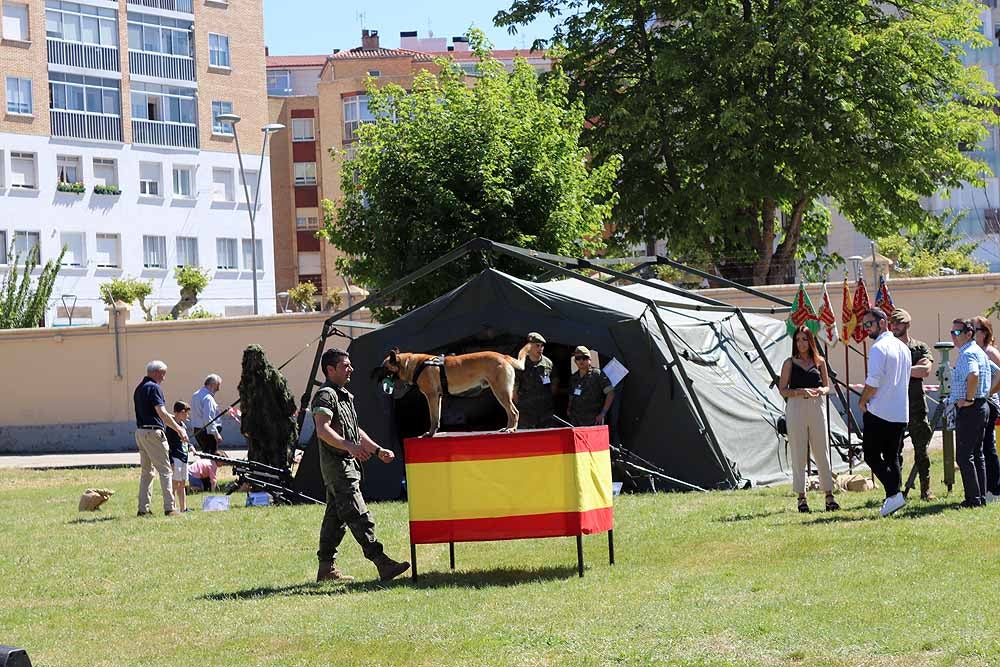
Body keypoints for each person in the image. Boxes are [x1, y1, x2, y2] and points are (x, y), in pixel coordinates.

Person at [312, 347, 410, 583]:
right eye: (346, 366)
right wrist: (349, 447)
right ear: (330, 369)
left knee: (335, 520)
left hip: (346, 466)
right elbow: (322, 429)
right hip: (338, 468)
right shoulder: (326, 395)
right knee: (358, 514)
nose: (351, 369)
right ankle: (382, 562)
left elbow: (355, 431)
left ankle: (326, 568)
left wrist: (376, 450)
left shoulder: (343, 395)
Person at [858, 308, 912, 517]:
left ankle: (894, 494)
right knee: (892, 458)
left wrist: (862, 401)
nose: (866, 328)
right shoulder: (903, 347)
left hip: (880, 411)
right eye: (864, 325)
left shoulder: (879, 348)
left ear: (882, 323)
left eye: (869, 324)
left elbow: (873, 381)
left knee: (871, 455)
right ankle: (893, 499)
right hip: (900, 412)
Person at [778, 325, 838, 513]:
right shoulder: (789, 363)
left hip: (816, 406)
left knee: (822, 449)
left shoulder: (819, 362)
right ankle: (801, 497)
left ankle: (829, 495)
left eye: (804, 339)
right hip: (796, 406)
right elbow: (783, 389)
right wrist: (798, 392)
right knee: (798, 450)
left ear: (810, 341)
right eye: (798, 340)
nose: (801, 343)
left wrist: (821, 390)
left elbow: (828, 387)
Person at [889, 309, 936, 500]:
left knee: (921, 450)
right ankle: (896, 491)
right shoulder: (887, 347)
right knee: (894, 452)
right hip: (893, 406)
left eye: (899, 323)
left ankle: (926, 490)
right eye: (893, 323)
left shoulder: (919, 347)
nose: (895, 326)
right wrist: (911, 370)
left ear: (907, 325)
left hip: (916, 405)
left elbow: (925, 370)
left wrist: (899, 369)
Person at [949, 318, 995, 508]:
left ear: (969, 334)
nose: (953, 336)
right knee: (977, 454)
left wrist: (968, 399)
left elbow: (974, 375)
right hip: (981, 405)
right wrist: (985, 393)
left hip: (971, 408)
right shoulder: (979, 351)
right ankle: (980, 498)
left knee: (964, 456)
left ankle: (973, 500)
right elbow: (997, 372)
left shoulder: (968, 353)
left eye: (957, 332)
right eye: (952, 332)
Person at [133, 360, 188, 517]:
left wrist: (174, 419)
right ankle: (170, 508)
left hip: (141, 432)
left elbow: (155, 413)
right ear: (156, 373)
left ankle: (143, 509)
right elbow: (161, 413)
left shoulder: (139, 388)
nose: (164, 378)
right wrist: (179, 429)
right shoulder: (155, 388)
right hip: (153, 434)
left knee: (147, 472)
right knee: (165, 471)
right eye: (163, 374)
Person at [972, 316, 1000, 501]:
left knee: (987, 446)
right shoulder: (977, 351)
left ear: (984, 333)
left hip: (990, 403)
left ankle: (995, 489)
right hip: (980, 402)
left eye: (975, 330)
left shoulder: (990, 352)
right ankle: (987, 487)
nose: (971, 333)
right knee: (981, 446)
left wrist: (987, 393)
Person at [513, 332, 557, 429]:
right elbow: (514, 390)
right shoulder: (521, 364)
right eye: (537, 346)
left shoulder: (548, 363)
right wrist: (522, 403)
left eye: (542, 346)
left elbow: (554, 382)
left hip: (545, 410)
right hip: (526, 411)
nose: (540, 349)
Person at [567, 346, 615, 427]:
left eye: (584, 358)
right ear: (575, 361)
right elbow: (571, 396)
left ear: (590, 360)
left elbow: (610, 393)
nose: (581, 361)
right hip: (576, 420)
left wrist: (602, 414)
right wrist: (568, 409)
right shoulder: (574, 377)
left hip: (593, 420)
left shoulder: (597, 374)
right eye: (578, 358)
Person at [165, 401, 194, 512]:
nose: (188, 416)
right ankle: (172, 507)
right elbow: (168, 445)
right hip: (176, 458)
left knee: (182, 483)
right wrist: (171, 460)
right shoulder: (171, 427)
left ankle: (183, 508)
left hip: (184, 457)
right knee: (174, 484)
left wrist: (191, 446)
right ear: (181, 412)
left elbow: (185, 440)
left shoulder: (183, 426)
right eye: (186, 413)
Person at [191, 374, 223, 454]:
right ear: (213, 385)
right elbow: (208, 419)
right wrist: (216, 434)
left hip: (197, 430)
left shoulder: (195, 395)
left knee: (205, 454)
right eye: (218, 385)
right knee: (211, 456)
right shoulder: (208, 398)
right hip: (207, 432)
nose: (218, 389)